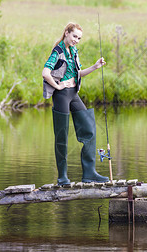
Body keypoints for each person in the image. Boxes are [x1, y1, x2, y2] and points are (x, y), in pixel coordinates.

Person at [42, 22, 109, 186]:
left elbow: (76, 73)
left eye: (79, 38)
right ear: (66, 33)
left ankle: (89, 173)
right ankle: (62, 177)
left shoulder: (73, 51)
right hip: (61, 96)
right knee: (61, 137)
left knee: (89, 129)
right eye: (74, 36)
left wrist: (95, 66)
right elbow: (45, 73)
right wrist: (58, 86)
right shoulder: (58, 51)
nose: (76, 40)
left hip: (73, 94)